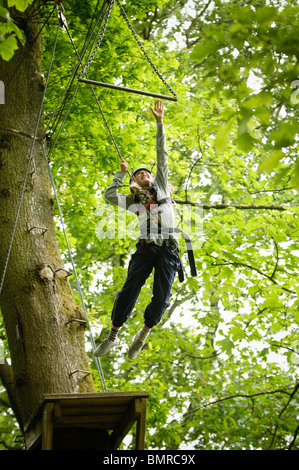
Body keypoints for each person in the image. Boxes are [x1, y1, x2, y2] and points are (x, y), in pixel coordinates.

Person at [94, 100, 181, 360]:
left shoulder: (163, 189)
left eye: (146, 172)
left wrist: (160, 123)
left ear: (153, 177)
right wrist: (121, 175)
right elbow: (109, 196)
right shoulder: (133, 201)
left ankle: (142, 335)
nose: (144, 173)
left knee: (162, 298)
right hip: (146, 249)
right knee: (129, 290)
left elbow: (161, 155)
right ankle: (112, 336)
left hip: (169, 250)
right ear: (135, 182)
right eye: (139, 173)